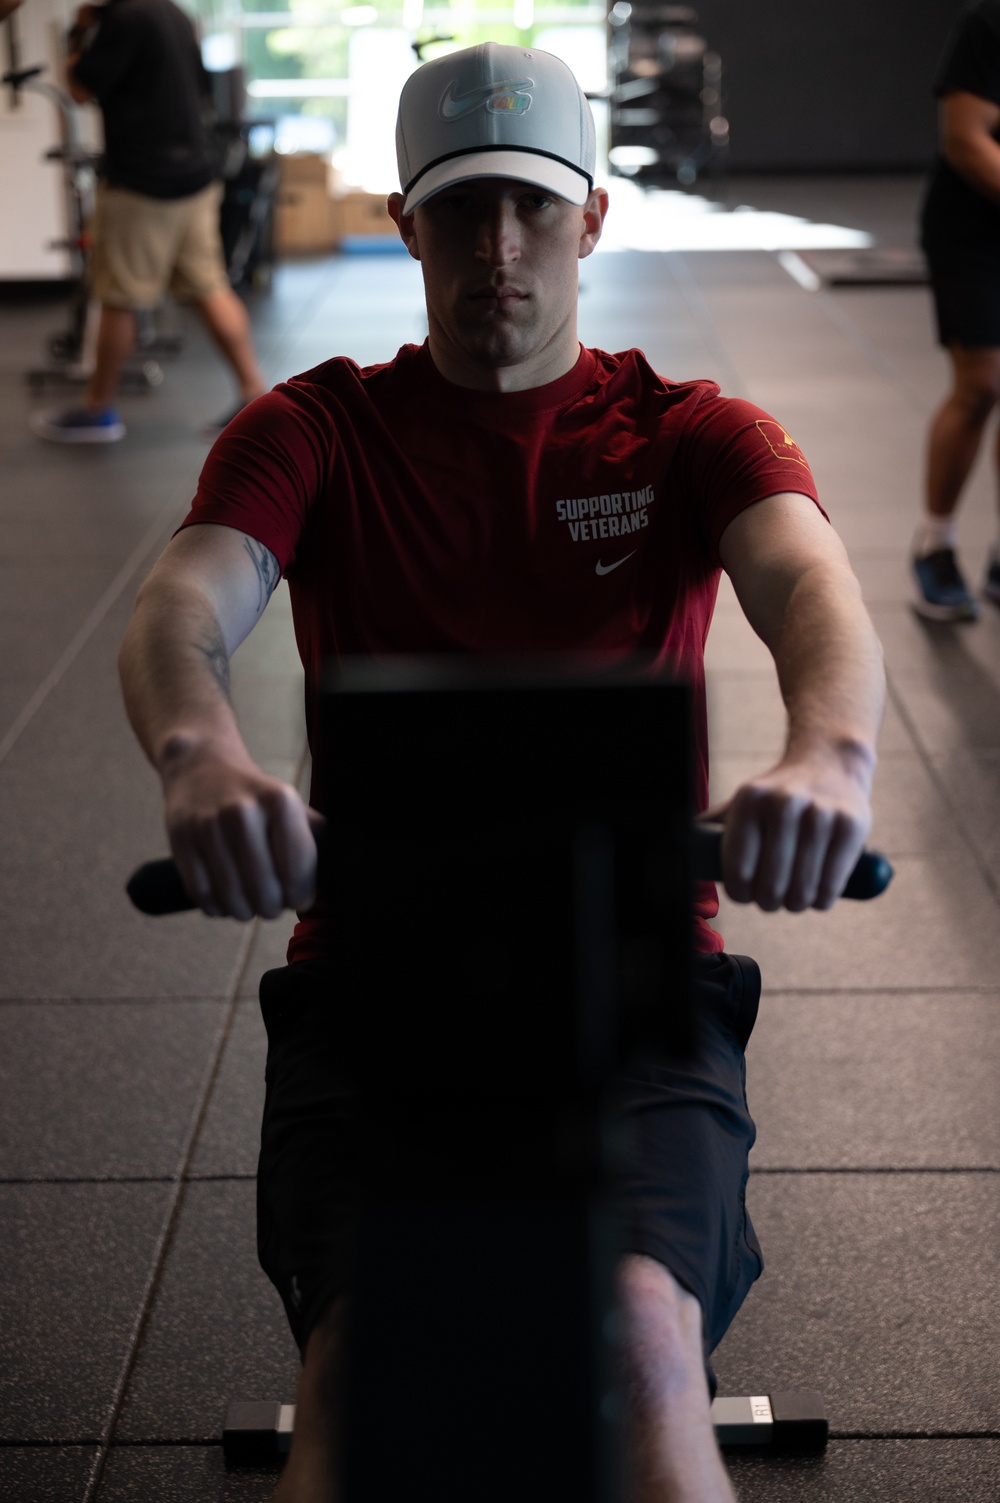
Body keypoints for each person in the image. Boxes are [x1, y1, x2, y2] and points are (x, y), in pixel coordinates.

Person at [118, 42, 884, 1503]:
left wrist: (832, 759)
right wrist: (201, 755)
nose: (500, 249)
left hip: (639, 986)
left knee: (640, 1343)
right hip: (374, 983)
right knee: (360, 1369)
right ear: (405, 220)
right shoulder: (316, 427)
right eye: (462, 211)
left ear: (591, 216)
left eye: (532, 209)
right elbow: (181, 606)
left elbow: (811, 588)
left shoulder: (687, 429)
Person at [30, 0, 265, 445]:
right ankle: (254, 394)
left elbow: (79, 88)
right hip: (195, 176)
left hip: (143, 184)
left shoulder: (122, 20)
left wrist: (79, 32)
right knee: (209, 285)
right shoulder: (175, 14)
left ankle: (98, 411)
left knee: (118, 295)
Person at [914, 0, 1000, 620]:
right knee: (982, 386)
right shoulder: (988, 24)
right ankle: (934, 545)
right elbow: (966, 140)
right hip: (973, 232)